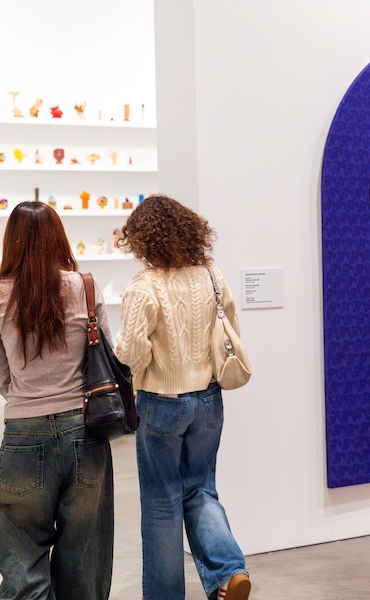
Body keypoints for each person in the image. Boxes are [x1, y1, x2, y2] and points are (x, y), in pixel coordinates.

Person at [115, 195, 251, 600]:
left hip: (162, 402)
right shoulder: (211, 275)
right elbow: (231, 329)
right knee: (200, 489)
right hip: (209, 400)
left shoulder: (144, 287)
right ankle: (228, 574)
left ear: (142, 241)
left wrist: (118, 350)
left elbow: (132, 354)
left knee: (162, 501)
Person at [0, 200, 114, 600]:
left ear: (11, 242)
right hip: (84, 430)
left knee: (22, 559)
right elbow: (109, 356)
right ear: (59, 236)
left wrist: (26, 398)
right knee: (84, 559)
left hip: (23, 433)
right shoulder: (84, 286)